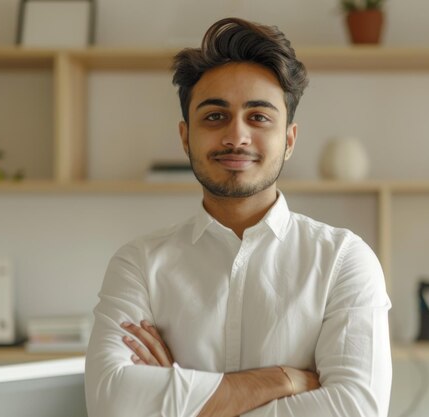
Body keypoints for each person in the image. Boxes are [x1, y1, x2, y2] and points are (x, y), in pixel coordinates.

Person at [85, 17, 392, 417]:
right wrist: (283, 380)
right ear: (185, 136)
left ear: (289, 140)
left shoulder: (343, 261)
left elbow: (356, 410)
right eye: (215, 116)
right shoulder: (139, 264)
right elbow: (111, 402)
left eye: (259, 117)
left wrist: (182, 402)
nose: (236, 137)